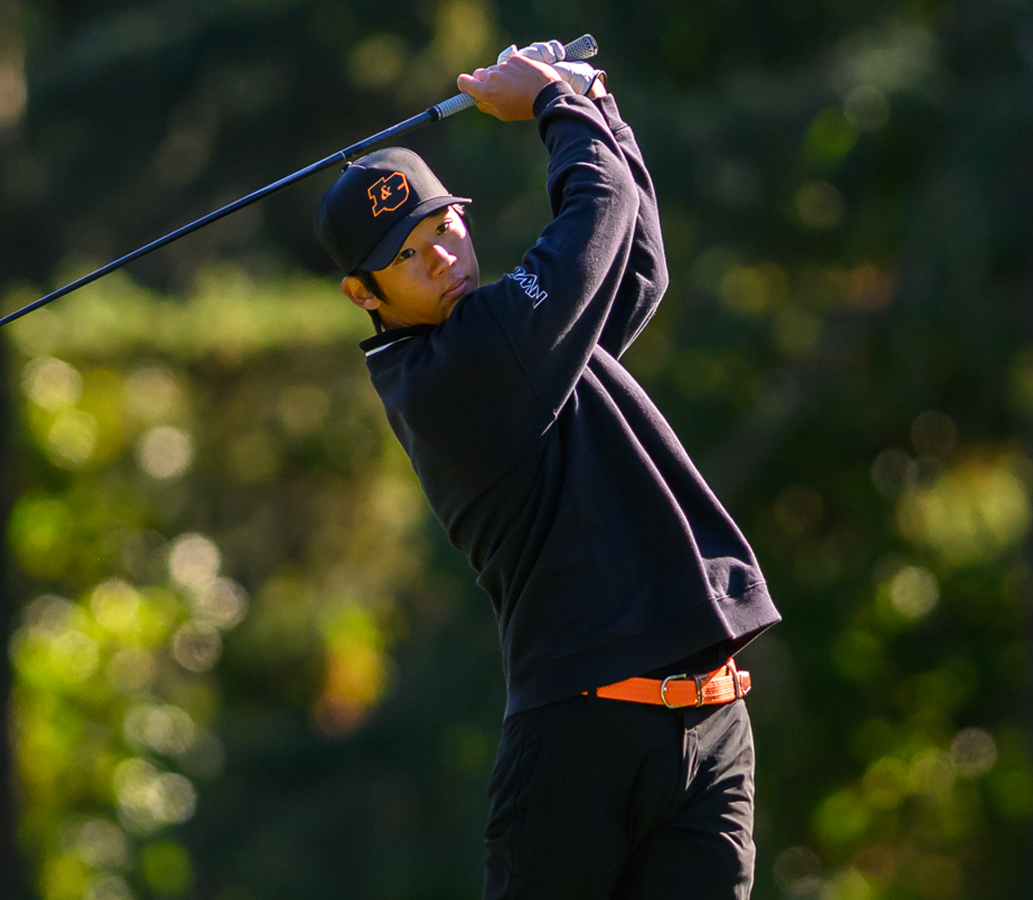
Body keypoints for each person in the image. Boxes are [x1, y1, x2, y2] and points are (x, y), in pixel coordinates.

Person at [313, 43, 782, 900]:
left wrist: (595, 100)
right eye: (408, 255)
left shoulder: (523, 341)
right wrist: (555, 108)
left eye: (444, 225)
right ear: (363, 294)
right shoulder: (450, 374)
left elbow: (635, 263)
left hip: (710, 726)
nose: (445, 256)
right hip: (580, 742)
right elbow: (589, 226)